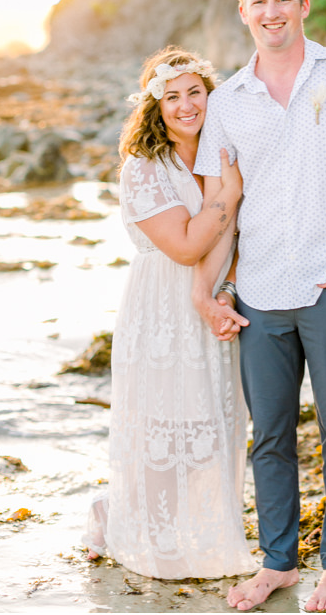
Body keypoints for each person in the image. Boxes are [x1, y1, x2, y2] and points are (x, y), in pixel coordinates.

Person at [193, 0, 326, 612]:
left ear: (303, 6)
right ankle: (278, 561)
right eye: (259, 2)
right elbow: (222, 207)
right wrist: (210, 287)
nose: (271, 11)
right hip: (258, 293)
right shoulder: (225, 102)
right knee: (270, 435)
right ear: (244, 12)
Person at [83, 46, 256, 579]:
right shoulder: (143, 167)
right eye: (172, 96)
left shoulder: (220, 154)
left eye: (195, 93)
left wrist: (224, 288)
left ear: (211, 95)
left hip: (213, 297)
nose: (186, 105)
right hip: (161, 305)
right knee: (163, 424)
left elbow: (232, 236)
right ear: (156, 106)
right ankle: (125, 521)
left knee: (212, 423)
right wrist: (228, 197)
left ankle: (195, 526)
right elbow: (182, 245)